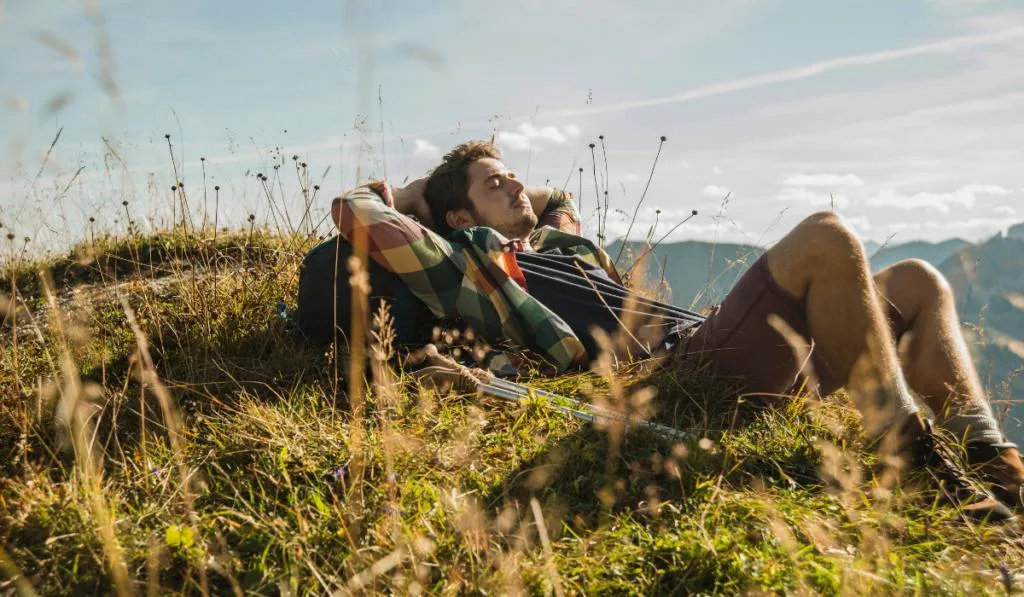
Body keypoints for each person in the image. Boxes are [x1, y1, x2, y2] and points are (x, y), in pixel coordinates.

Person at [307, 140, 1024, 523]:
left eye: (515, 174)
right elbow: (361, 214)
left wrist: (499, 186)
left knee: (919, 281)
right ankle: (910, 460)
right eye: (496, 184)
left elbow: (558, 201)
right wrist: (417, 194)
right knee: (826, 238)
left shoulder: (559, 247)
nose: (518, 186)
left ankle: (995, 462)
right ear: (460, 219)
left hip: (733, 344)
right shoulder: (467, 268)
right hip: (681, 374)